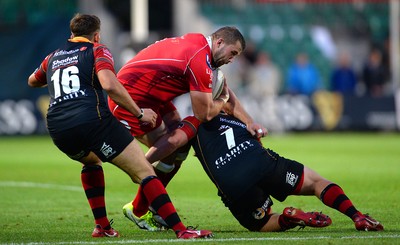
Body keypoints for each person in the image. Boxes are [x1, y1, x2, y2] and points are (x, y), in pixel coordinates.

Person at [27, 13, 212, 239]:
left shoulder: (52, 57)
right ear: (96, 35)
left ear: (71, 33)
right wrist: (139, 112)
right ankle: (181, 231)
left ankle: (102, 227)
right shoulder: (98, 50)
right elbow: (109, 84)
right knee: (145, 173)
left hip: (58, 127)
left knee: (92, 161)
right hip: (91, 121)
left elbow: (33, 80)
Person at [107, 26, 267, 230]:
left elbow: (224, 89)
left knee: (180, 141)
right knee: (185, 132)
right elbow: (206, 113)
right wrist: (223, 100)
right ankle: (140, 173)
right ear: (219, 43)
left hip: (150, 95)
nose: (232, 59)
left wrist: (249, 121)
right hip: (130, 100)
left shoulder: (201, 47)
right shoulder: (199, 59)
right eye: (232, 53)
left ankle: (142, 207)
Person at [142, 113, 384, 232]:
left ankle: (289, 216)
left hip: (232, 183)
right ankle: (357, 216)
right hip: (261, 163)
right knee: (317, 183)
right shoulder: (235, 114)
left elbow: (172, 143)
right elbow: (257, 138)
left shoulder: (192, 122)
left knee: (259, 223)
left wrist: (144, 160)